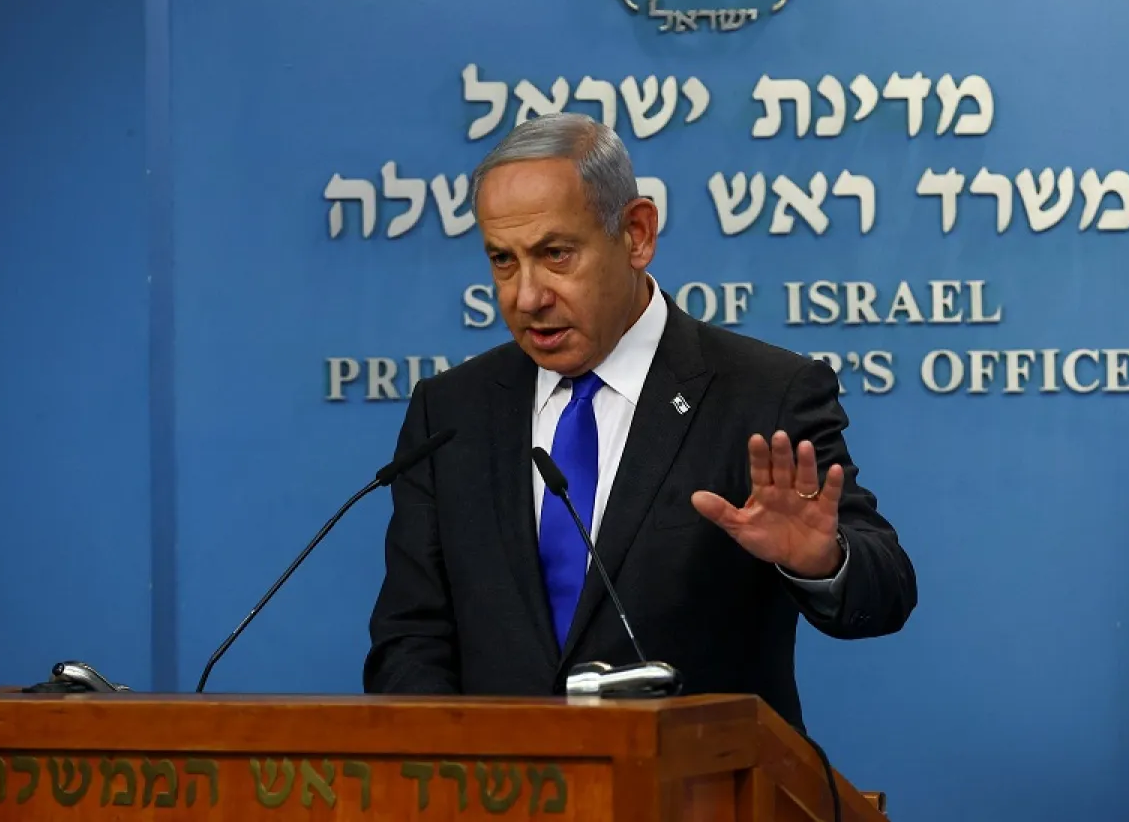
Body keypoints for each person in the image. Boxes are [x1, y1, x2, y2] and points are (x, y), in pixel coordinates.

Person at [362, 113, 917, 729]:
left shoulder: (764, 394)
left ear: (636, 234)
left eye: (555, 254)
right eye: (503, 259)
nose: (526, 296)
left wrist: (820, 561)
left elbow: (886, 591)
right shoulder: (452, 411)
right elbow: (410, 635)